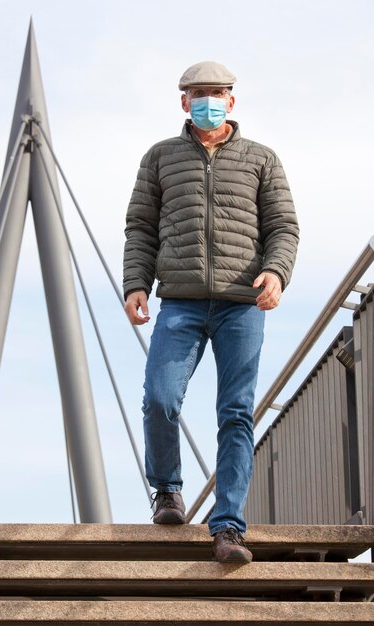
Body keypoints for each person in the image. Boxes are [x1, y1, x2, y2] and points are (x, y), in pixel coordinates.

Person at [123, 61, 299, 563]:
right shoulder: (160, 158)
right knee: (160, 398)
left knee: (236, 413)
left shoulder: (261, 160)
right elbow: (140, 227)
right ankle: (168, 491)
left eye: (217, 92)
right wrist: (136, 283)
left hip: (242, 304)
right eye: (198, 93)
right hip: (179, 301)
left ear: (232, 99)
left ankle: (227, 529)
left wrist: (277, 272)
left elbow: (284, 226)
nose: (208, 101)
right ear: (183, 101)